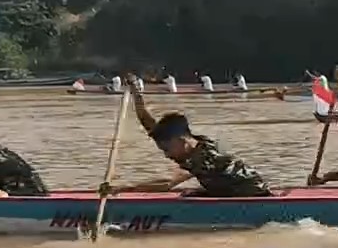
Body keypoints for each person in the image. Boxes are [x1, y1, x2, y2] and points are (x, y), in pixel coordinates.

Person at [106, 76, 272, 197]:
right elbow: (147, 122)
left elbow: (167, 184)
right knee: (189, 194)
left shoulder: (203, 156)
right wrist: (136, 92)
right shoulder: (187, 143)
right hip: (227, 189)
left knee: (188, 195)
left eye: (167, 149)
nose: (166, 155)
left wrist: (122, 189)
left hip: (250, 194)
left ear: (182, 141)